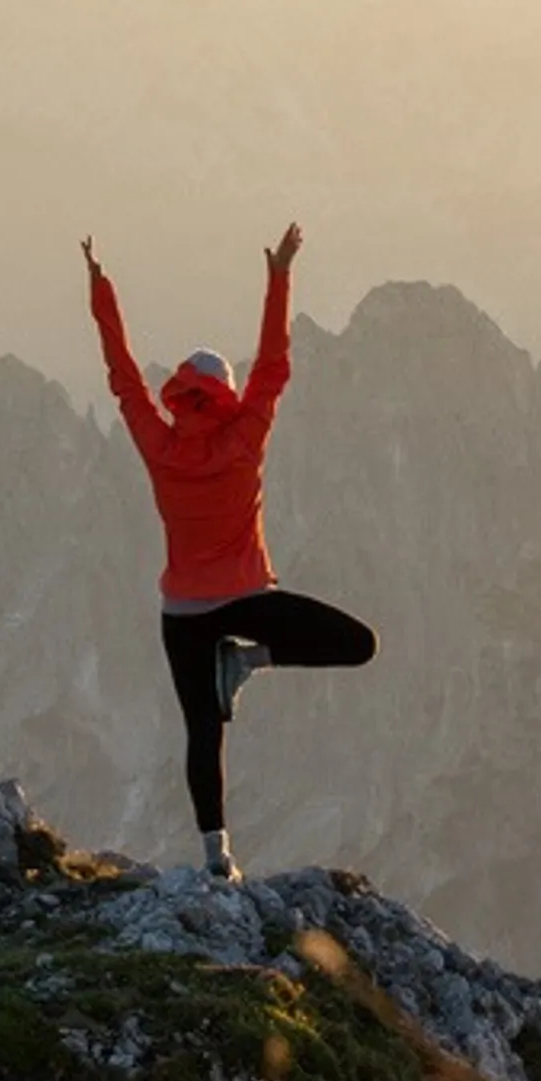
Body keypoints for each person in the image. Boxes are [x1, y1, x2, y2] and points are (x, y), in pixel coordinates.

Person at [83, 222, 379, 880]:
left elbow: (123, 379)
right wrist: (279, 276)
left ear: (183, 395)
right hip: (247, 597)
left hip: (183, 610)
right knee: (360, 643)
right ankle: (250, 660)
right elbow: (274, 366)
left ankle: (216, 856)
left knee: (201, 730)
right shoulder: (247, 435)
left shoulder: (158, 445)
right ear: (225, 395)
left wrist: (101, 290)